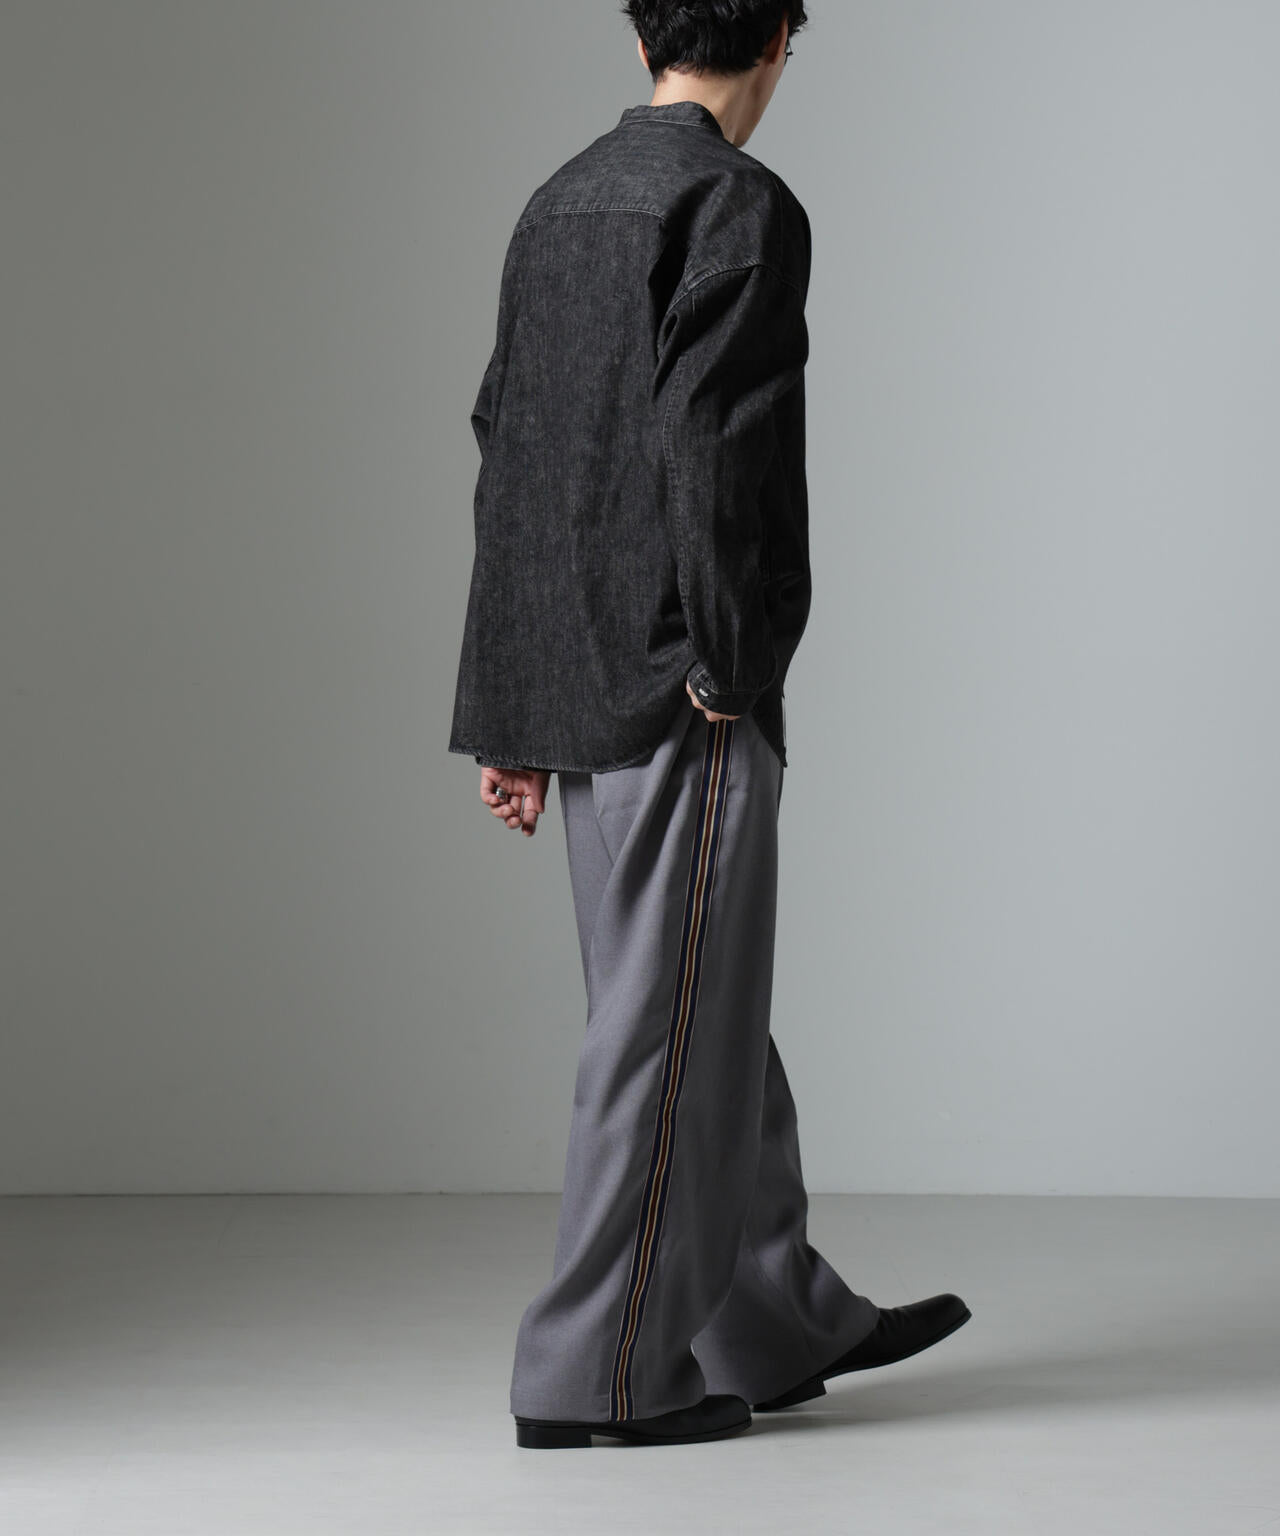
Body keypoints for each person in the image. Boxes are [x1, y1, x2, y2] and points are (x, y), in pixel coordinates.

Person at [448, 0, 970, 1450]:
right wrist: (737, 666)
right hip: (684, 678)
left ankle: (771, 1315)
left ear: (641, 40)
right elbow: (718, 449)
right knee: (665, 1026)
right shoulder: (737, 204)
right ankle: (596, 1375)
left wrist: (511, 708)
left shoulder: (558, 205)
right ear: (784, 37)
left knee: (690, 997)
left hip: (578, 677)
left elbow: (508, 445)